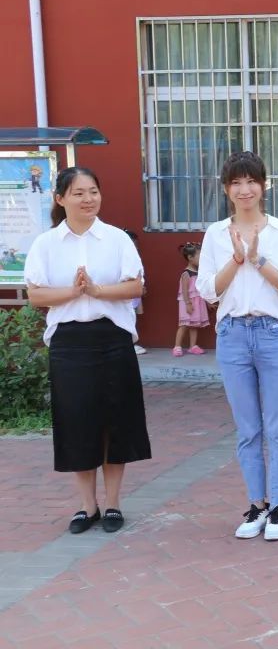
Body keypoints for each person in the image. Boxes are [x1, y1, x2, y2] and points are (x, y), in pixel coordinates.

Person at [24, 167, 151, 534]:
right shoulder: (46, 244)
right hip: (69, 343)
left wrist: (96, 291)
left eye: (93, 191)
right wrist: (74, 292)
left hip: (112, 338)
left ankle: (112, 504)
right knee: (77, 421)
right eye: (78, 193)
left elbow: (136, 287)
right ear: (60, 199)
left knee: (115, 421)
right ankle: (87, 506)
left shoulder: (116, 239)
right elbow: (36, 295)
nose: (88, 199)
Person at [195, 151, 278, 542]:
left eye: (251, 181)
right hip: (232, 335)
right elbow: (208, 290)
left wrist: (257, 259)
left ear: (263, 185)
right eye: (236, 183)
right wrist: (236, 259)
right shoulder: (215, 233)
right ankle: (257, 504)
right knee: (247, 428)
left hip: (275, 333)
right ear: (226, 189)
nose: (245, 190)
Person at [174, 242, 209, 356]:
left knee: (194, 325)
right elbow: (184, 290)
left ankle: (193, 346)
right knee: (184, 324)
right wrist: (188, 303)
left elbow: (201, 289)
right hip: (187, 302)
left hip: (197, 302)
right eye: (200, 256)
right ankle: (177, 346)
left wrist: (208, 303)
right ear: (190, 257)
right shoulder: (186, 273)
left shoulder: (199, 273)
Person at [123, 229, 148, 355]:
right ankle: (127, 344)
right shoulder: (120, 258)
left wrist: (142, 285)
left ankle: (130, 343)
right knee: (126, 319)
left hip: (135, 295)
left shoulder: (135, 258)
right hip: (125, 295)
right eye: (133, 244)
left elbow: (139, 273)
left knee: (133, 318)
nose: (136, 247)